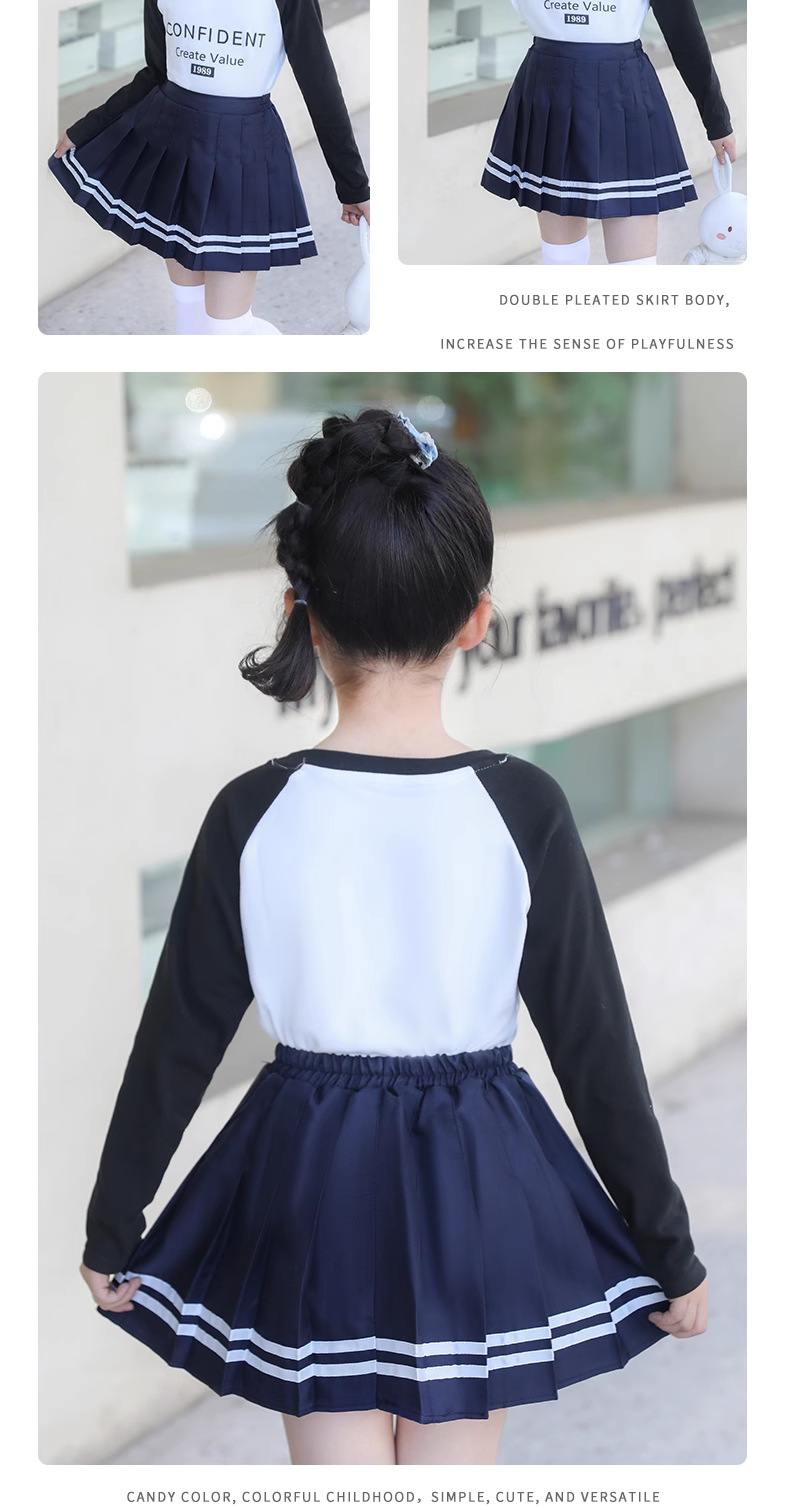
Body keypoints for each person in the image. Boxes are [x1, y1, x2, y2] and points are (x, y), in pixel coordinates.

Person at [80, 409, 707, 1467]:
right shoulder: (524, 806)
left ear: (302, 612)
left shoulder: (254, 811)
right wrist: (667, 1247)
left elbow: (177, 1039)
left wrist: (113, 1224)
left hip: (309, 1180)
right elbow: (596, 1050)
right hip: (479, 1176)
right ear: (477, 620)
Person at [48, 1, 370, 334]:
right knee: (189, 314)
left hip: (241, 154)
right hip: (175, 147)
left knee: (227, 330)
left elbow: (319, 86)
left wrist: (353, 186)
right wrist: (86, 129)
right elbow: (158, 72)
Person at [481, 0, 736, 266]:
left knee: (630, 267)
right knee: (563, 260)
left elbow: (682, 30)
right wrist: (717, 120)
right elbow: (683, 31)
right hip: (557, 88)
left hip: (612, 91)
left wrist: (717, 121)